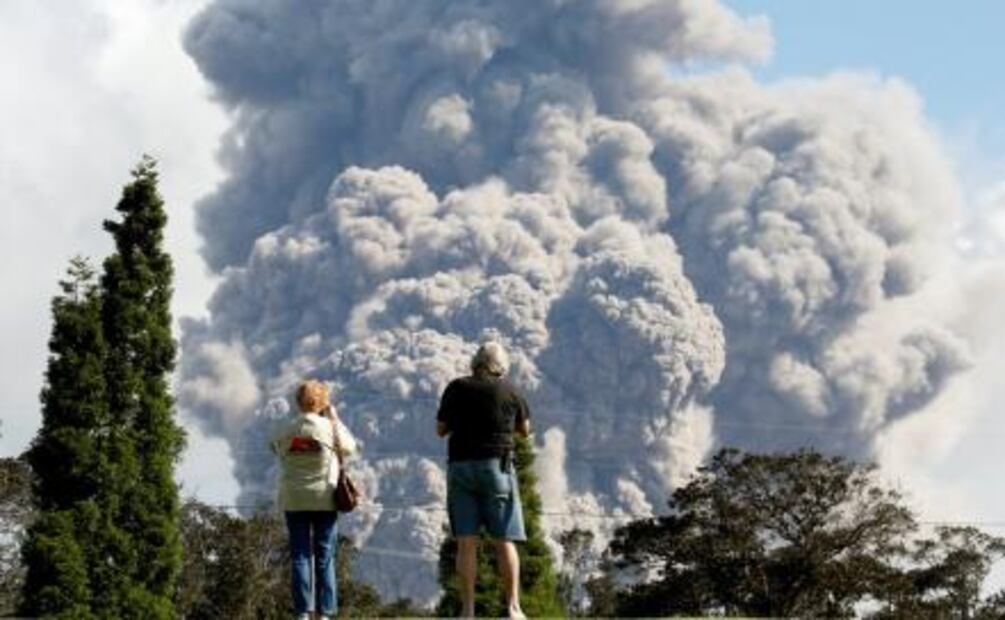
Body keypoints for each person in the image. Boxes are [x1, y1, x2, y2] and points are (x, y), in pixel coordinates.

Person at [437, 342, 532, 619]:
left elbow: (440, 429)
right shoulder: (510, 390)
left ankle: (467, 611)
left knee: (466, 542)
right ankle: (513, 608)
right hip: (497, 468)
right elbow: (525, 431)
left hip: (461, 468)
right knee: (505, 539)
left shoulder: (457, 387)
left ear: (475, 362)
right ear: (501, 366)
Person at [271, 380, 357, 620]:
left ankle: (302, 613)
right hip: (324, 498)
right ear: (322, 403)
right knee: (324, 555)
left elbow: (273, 447)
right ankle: (325, 612)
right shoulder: (330, 428)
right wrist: (335, 419)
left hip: (295, 498)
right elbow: (350, 448)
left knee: (300, 555)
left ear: (298, 402)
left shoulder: (287, 428)